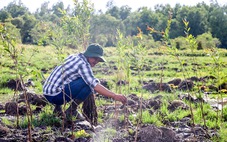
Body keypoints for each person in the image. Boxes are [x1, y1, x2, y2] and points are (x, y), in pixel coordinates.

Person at [43, 43, 127, 119]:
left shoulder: (73, 56)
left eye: (98, 60)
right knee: (88, 84)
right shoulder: (83, 64)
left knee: (77, 79)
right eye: (94, 58)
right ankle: (72, 110)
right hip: (56, 96)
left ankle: (58, 109)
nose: (96, 62)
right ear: (88, 55)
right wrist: (114, 95)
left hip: (47, 93)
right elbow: (94, 84)